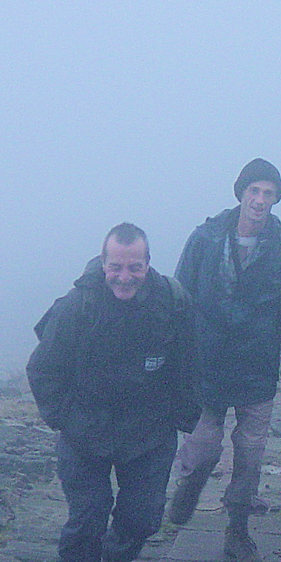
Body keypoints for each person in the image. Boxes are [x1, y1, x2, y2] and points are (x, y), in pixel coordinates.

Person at [27, 223, 199, 562]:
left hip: (149, 434)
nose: (125, 277)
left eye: (135, 267)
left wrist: (184, 416)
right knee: (88, 519)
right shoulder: (78, 305)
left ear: (148, 263)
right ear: (103, 263)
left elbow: (190, 365)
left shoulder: (172, 304)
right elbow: (42, 369)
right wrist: (64, 417)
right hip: (85, 432)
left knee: (143, 519)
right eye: (116, 267)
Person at [168, 158, 281, 561]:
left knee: (250, 455)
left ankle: (238, 530)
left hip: (258, 368)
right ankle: (190, 487)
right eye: (254, 191)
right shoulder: (206, 238)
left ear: (276, 199)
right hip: (206, 364)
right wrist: (170, 359)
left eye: (269, 194)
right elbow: (178, 299)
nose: (260, 201)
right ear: (241, 194)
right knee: (204, 446)